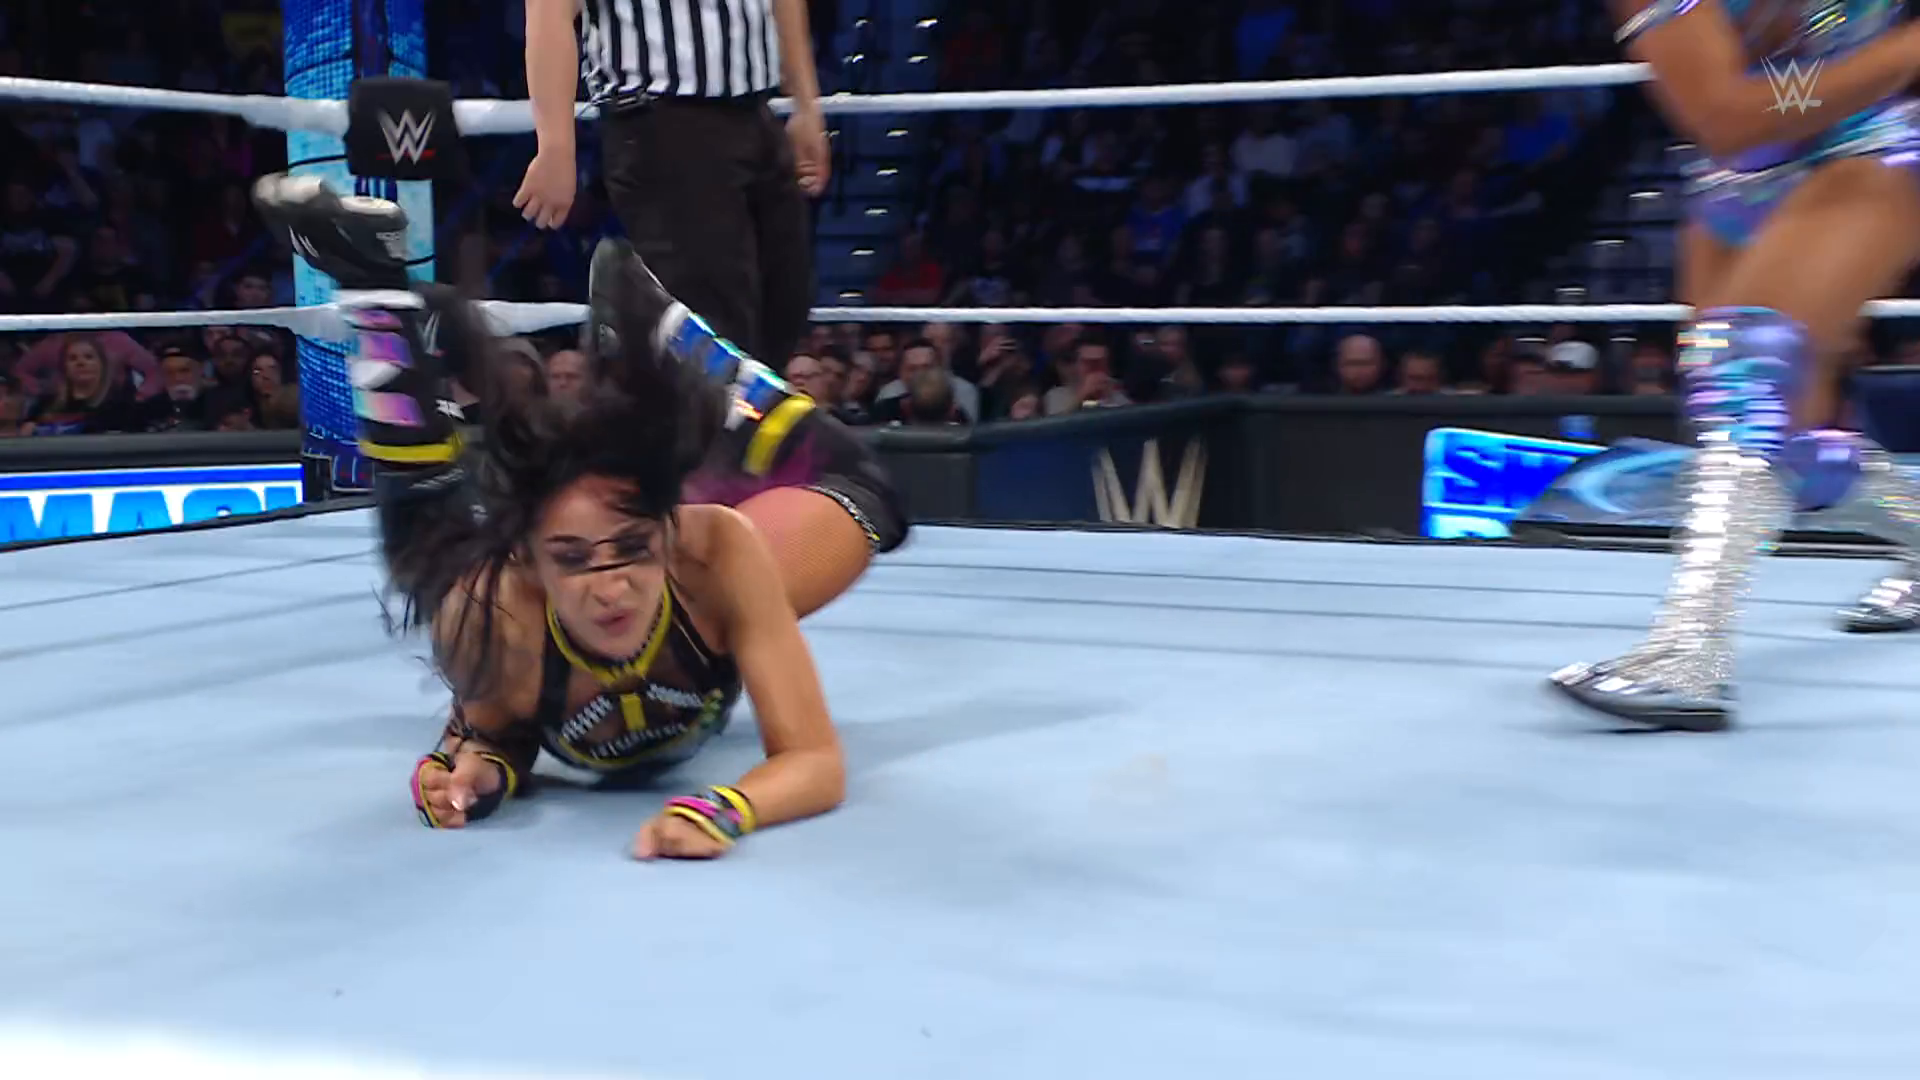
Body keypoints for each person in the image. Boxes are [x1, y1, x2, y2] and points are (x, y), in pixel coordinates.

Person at [252, 172, 907, 857]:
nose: (610, 586)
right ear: (532, 563)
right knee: (432, 555)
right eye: (572, 558)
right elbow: (496, 739)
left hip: (688, 578)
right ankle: (378, 293)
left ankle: (664, 336)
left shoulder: (716, 555)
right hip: (515, 583)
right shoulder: (493, 617)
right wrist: (475, 779)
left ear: (668, 529)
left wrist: (724, 811)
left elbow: (813, 758)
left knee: (865, 490)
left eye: (632, 549)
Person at [1549, 1, 1920, 731]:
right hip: (1735, 184)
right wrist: (1902, 53)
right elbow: (1726, 116)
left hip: (1871, 149)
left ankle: (1688, 655)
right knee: (1785, 446)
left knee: (1748, 372)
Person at [516, 0, 828, 366]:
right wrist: (555, 146)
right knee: (715, 321)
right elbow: (549, 11)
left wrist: (806, 106)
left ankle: (730, 403)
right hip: (662, 118)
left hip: (755, 111)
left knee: (786, 301)